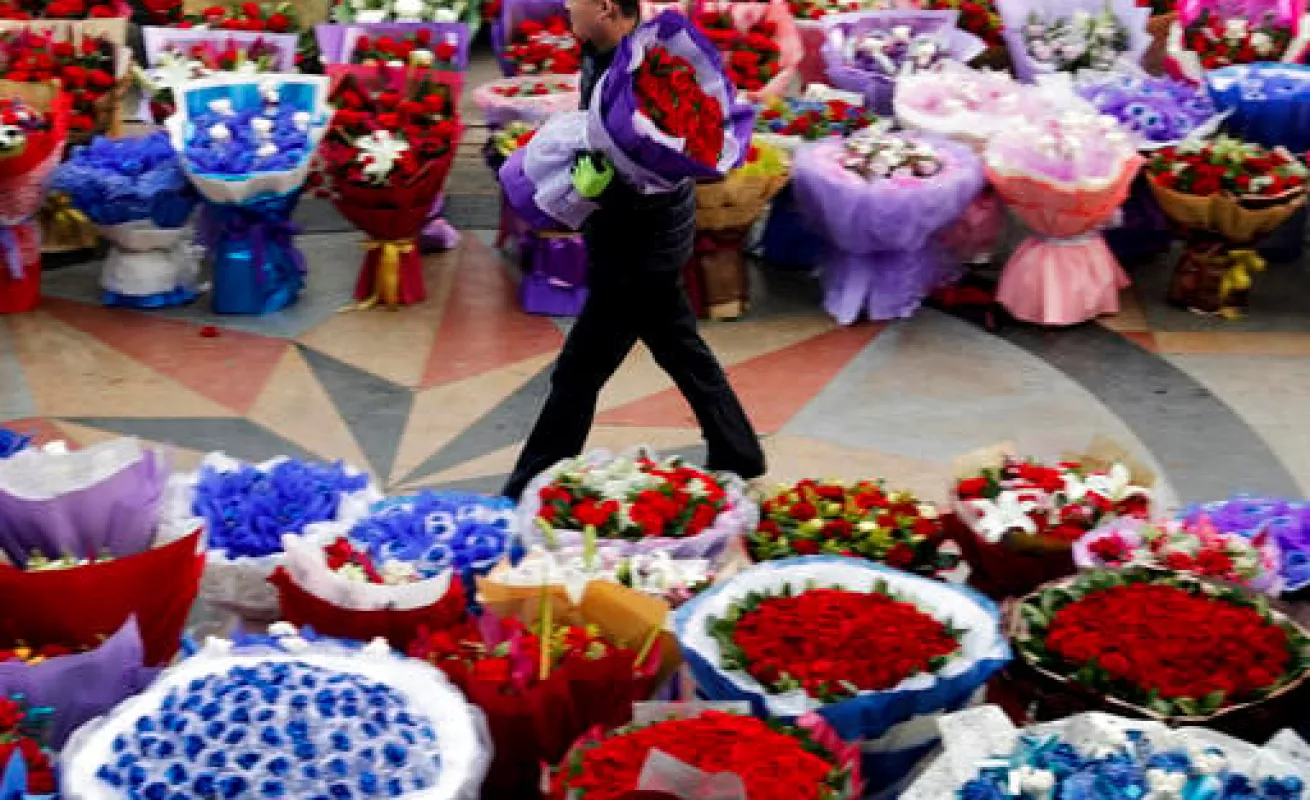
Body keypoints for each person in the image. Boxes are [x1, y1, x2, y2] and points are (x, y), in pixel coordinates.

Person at [500, 0, 766, 500]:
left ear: (604, 8)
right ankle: (739, 452)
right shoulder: (598, 52)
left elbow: (658, 166)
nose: (564, 7)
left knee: (579, 372)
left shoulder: (648, 73)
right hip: (635, 244)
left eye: (574, 0)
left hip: (640, 249)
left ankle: (528, 484)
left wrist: (599, 189)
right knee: (680, 351)